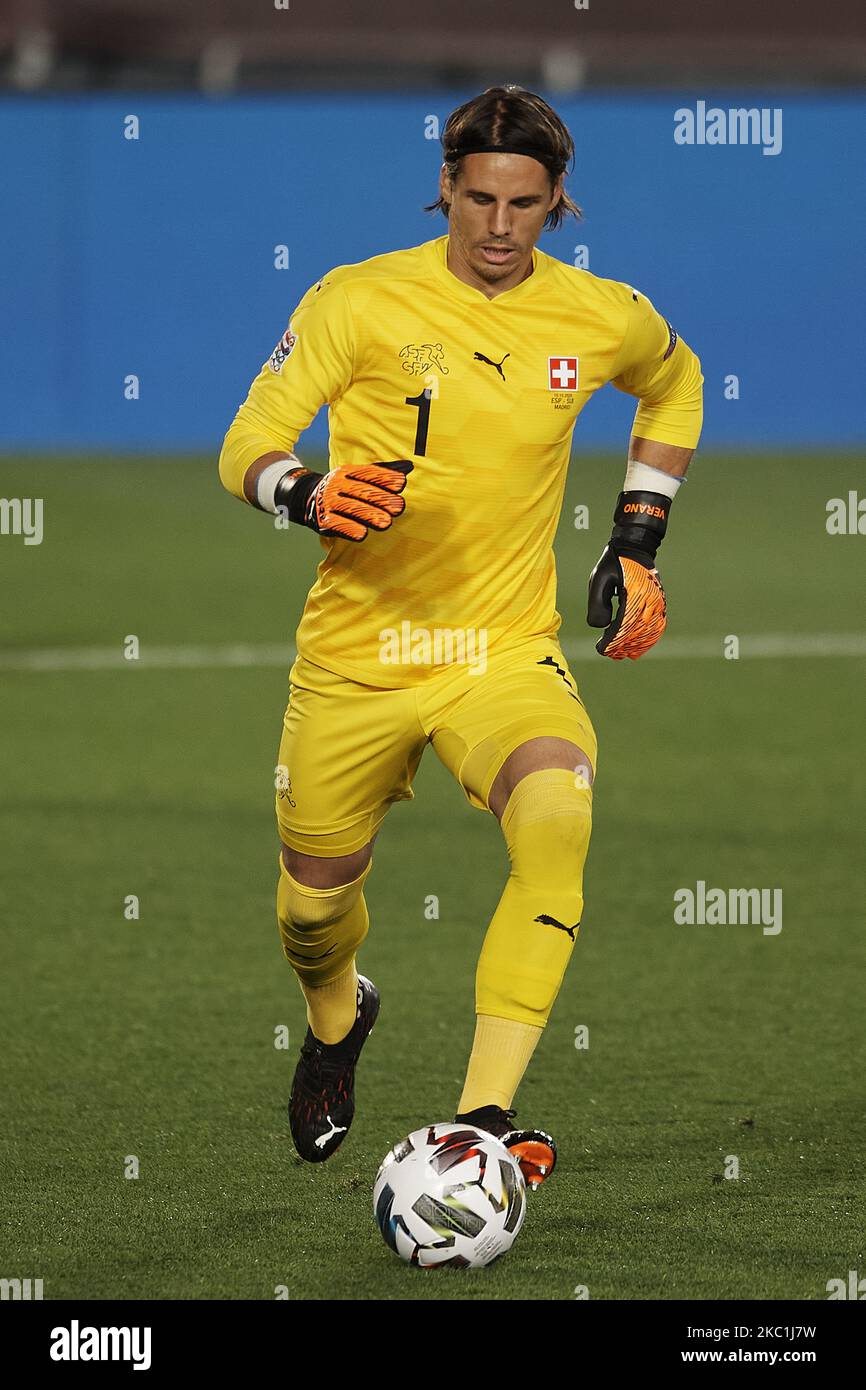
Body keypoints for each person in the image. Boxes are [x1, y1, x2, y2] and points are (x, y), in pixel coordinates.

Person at [218, 84, 703, 1189]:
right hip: (358, 655)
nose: (495, 227)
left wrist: (636, 539)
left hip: (501, 648)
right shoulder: (357, 300)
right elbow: (245, 439)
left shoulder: (596, 313)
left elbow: (674, 383)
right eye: (475, 198)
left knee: (556, 817)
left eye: (522, 204)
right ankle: (338, 1023)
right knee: (310, 909)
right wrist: (299, 492)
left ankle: (479, 1121)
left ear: (554, 203)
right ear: (443, 187)